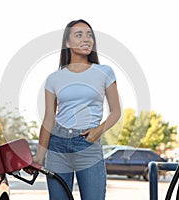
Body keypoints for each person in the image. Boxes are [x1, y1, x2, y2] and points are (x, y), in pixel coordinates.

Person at [34, 19, 121, 200]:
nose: (86, 39)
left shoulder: (105, 72)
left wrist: (100, 129)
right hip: (57, 145)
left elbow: (116, 112)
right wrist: (39, 157)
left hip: (87, 144)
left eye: (89, 35)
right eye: (79, 35)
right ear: (67, 43)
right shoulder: (54, 78)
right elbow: (49, 118)